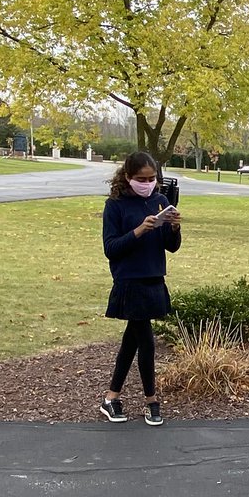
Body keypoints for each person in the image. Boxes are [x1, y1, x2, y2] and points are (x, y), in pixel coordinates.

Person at [100, 151, 181, 426]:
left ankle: (111, 397)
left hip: (154, 277)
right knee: (145, 340)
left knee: (131, 341)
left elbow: (171, 246)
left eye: (152, 178)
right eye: (141, 179)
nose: (147, 184)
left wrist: (173, 228)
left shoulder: (160, 201)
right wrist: (138, 231)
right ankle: (151, 400)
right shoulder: (115, 205)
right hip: (129, 280)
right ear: (128, 177)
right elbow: (111, 248)